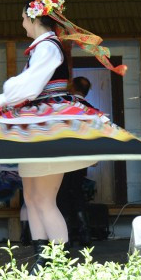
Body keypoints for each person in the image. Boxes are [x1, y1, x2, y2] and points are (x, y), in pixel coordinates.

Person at [0, 0, 141, 272]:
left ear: (34, 17)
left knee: (45, 199)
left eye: (24, 17)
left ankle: (57, 261)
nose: (22, 23)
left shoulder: (49, 47)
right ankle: (42, 258)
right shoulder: (44, 46)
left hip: (49, 123)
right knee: (33, 197)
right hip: (38, 121)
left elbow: (30, 84)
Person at [56, 76, 95, 247]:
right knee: (78, 194)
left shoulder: (64, 107)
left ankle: (66, 238)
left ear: (72, 87)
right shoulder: (91, 110)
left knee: (62, 195)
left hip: (64, 156)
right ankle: (85, 236)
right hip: (82, 158)